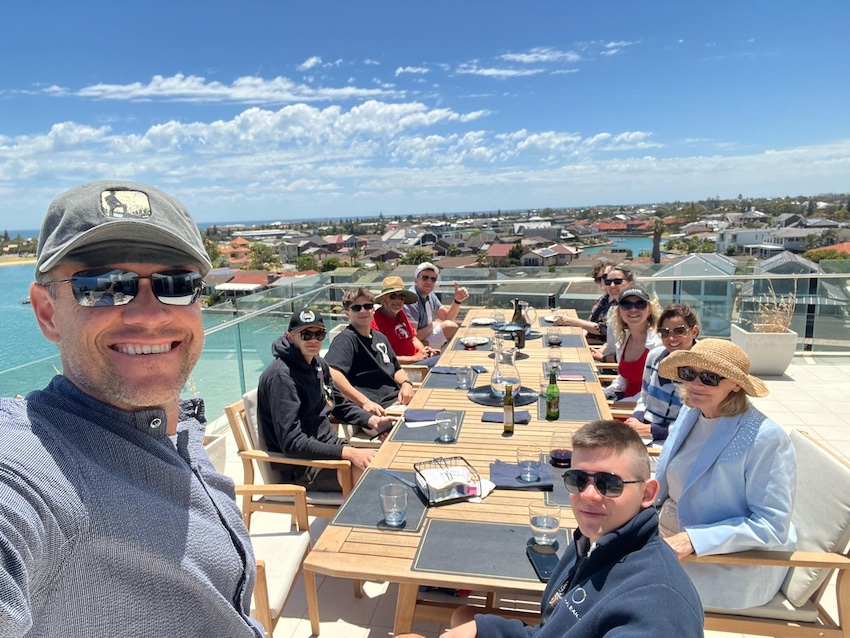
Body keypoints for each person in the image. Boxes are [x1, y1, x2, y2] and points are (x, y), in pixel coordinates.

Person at [3, 181, 264, 636]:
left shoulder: (181, 433)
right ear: (47, 313)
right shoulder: (30, 473)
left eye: (177, 285)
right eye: (104, 286)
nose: (150, 315)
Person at [401, 420, 703, 638]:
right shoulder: (593, 541)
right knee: (466, 617)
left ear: (647, 494)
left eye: (608, 484)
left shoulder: (658, 607)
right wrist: (485, 628)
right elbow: (552, 628)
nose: (589, 495)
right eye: (578, 480)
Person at [655, 339, 796, 609]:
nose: (696, 384)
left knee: (625, 597)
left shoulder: (765, 438)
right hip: (667, 541)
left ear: (736, 385)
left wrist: (692, 540)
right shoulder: (692, 412)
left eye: (709, 377)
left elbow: (772, 525)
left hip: (720, 564)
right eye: (689, 373)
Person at [256, 309, 395, 489]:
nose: (313, 340)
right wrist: (348, 452)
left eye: (319, 334)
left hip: (329, 450)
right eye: (306, 334)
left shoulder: (318, 364)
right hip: (303, 465)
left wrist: (372, 420)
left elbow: (337, 403)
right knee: (378, 481)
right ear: (289, 336)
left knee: (391, 462)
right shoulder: (282, 377)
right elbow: (292, 442)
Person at [324, 287, 416, 416]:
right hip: (379, 409)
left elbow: (396, 368)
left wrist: (407, 384)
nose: (363, 311)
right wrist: (364, 402)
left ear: (373, 310)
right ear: (347, 313)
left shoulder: (380, 337)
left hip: (398, 400)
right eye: (356, 308)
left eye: (367, 306)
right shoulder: (345, 340)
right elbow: (333, 373)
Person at [624, 303, 700, 443]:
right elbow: (644, 399)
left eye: (679, 331)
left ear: (694, 331)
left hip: (678, 439)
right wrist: (635, 419)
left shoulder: (703, 368)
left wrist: (654, 430)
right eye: (665, 332)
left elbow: (698, 422)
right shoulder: (654, 356)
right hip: (645, 431)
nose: (671, 338)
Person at [602, 284, 662, 403]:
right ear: (619, 312)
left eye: (640, 304)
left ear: (649, 310)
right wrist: (607, 393)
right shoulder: (623, 340)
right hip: (624, 403)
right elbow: (623, 379)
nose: (633, 309)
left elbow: (654, 390)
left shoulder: (658, 344)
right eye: (626, 305)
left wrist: (619, 404)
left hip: (643, 407)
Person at [372, 275, 441, 366]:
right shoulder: (376, 322)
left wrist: (424, 352)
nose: (398, 300)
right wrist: (414, 359)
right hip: (403, 367)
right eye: (393, 296)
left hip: (417, 360)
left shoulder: (400, 314)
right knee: (442, 362)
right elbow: (381, 357)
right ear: (382, 299)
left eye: (401, 297)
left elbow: (413, 338)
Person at [404, 261, 469, 349]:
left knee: (453, 330)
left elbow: (447, 317)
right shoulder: (412, 300)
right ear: (416, 280)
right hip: (415, 344)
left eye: (433, 279)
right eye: (425, 278)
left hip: (426, 336)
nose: (429, 282)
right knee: (450, 327)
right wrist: (433, 325)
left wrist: (457, 301)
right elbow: (413, 337)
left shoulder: (430, 295)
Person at [554, 259, 614, 345]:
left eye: (605, 277)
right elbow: (591, 322)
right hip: (590, 339)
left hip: (600, 344)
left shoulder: (620, 302)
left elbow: (604, 330)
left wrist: (571, 321)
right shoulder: (604, 299)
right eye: (598, 279)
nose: (602, 282)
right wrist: (581, 334)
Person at [590, 263, 637, 363]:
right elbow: (613, 340)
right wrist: (601, 351)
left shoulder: (635, 313)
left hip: (615, 367)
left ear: (631, 284)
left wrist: (602, 358)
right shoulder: (614, 309)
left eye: (617, 281)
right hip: (607, 360)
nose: (612, 285)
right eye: (608, 282)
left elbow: (632, 355)